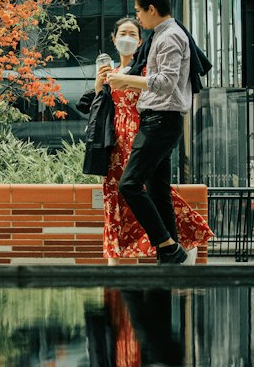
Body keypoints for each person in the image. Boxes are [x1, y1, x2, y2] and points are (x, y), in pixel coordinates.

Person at [81, 14, 212, 264]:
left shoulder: (144, 72)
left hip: (142, 136)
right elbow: (101, 114)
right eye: (123, 34)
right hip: (115, 144)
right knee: (115, 198)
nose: (127, 39)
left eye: (133, 34)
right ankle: (116, 259)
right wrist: (100, 87)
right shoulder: (111, 73)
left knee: (155, 193)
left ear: (141, 42)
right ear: (113, 39)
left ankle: (181, 243)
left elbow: (160, 92)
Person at [104, 0, 205, 267]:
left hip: (161, 121)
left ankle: (167, 246)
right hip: (158, 120)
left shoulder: (169, 37)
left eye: (138, 11)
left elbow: (165, 83)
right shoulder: (162, 35)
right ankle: (168, 254)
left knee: (130, 185)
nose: (137, 17)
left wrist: (125, 81)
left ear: (151, 9)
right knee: (158, 191)